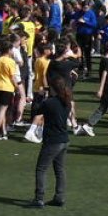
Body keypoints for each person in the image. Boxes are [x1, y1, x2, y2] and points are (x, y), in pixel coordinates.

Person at [29, 78, 72, 208]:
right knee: (59, 169)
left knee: (41, 168)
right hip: (63, 139)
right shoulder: (67, 102)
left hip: (52, 141)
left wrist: (39, 97)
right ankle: (59, 197)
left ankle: (39, 198)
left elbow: (36, 111)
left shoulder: (50, 103)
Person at [0, 40, 17, 141]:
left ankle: (4, 132)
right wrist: (17, 87)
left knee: (3, 110)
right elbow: (13, 77)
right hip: (7, 88)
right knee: (2, 111)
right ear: (9, 50)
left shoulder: (0, 59)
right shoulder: (11, 61)